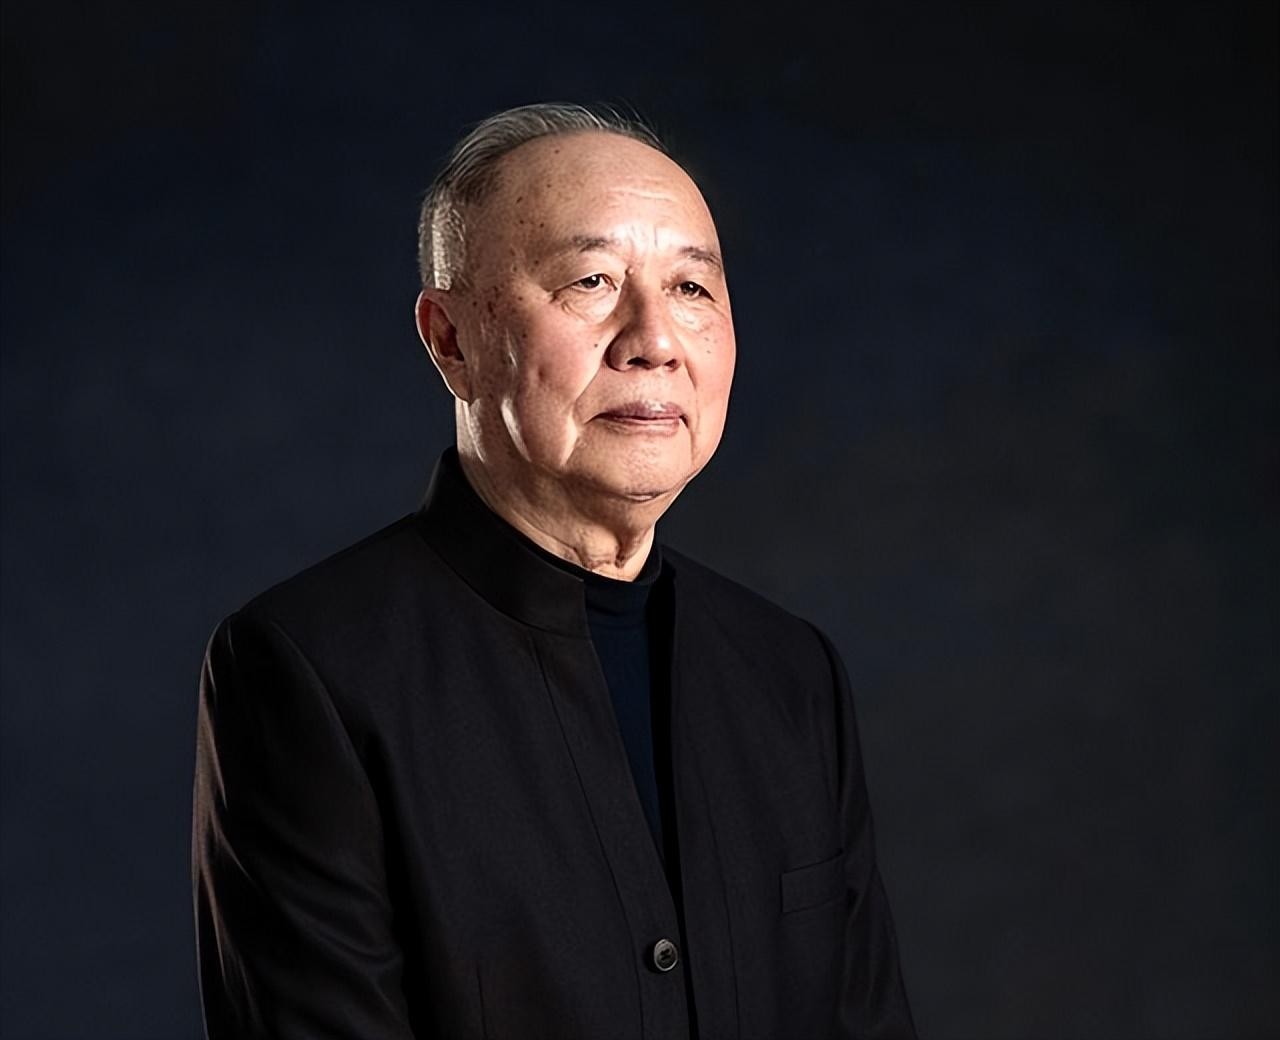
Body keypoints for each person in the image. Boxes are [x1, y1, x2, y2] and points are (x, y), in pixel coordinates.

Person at [192, 102, 916, 1040]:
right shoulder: (310, 669)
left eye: (691, 288)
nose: (654, 339)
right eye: (591, 281)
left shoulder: (791, 674)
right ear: (451, 340)